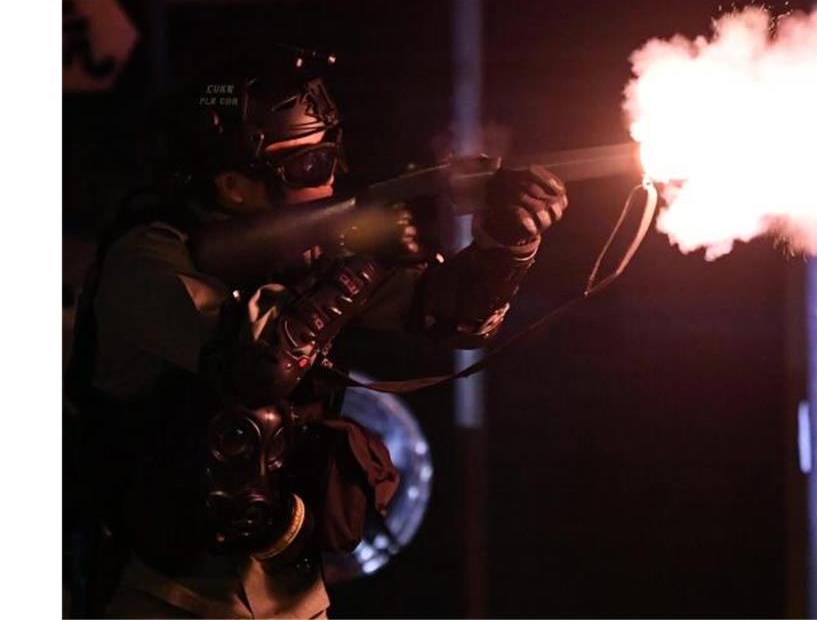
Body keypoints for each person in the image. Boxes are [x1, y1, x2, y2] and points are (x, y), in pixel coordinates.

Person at [63, 48, 568, 618]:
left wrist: (507, 243)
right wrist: (368, 257)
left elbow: (456, 319)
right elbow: (258, 366)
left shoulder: (309, 254)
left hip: (293, 598)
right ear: (232, 185)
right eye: (309, 167)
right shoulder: (147, 261)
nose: (329, 184)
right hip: (163, 595)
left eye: (333, 158)